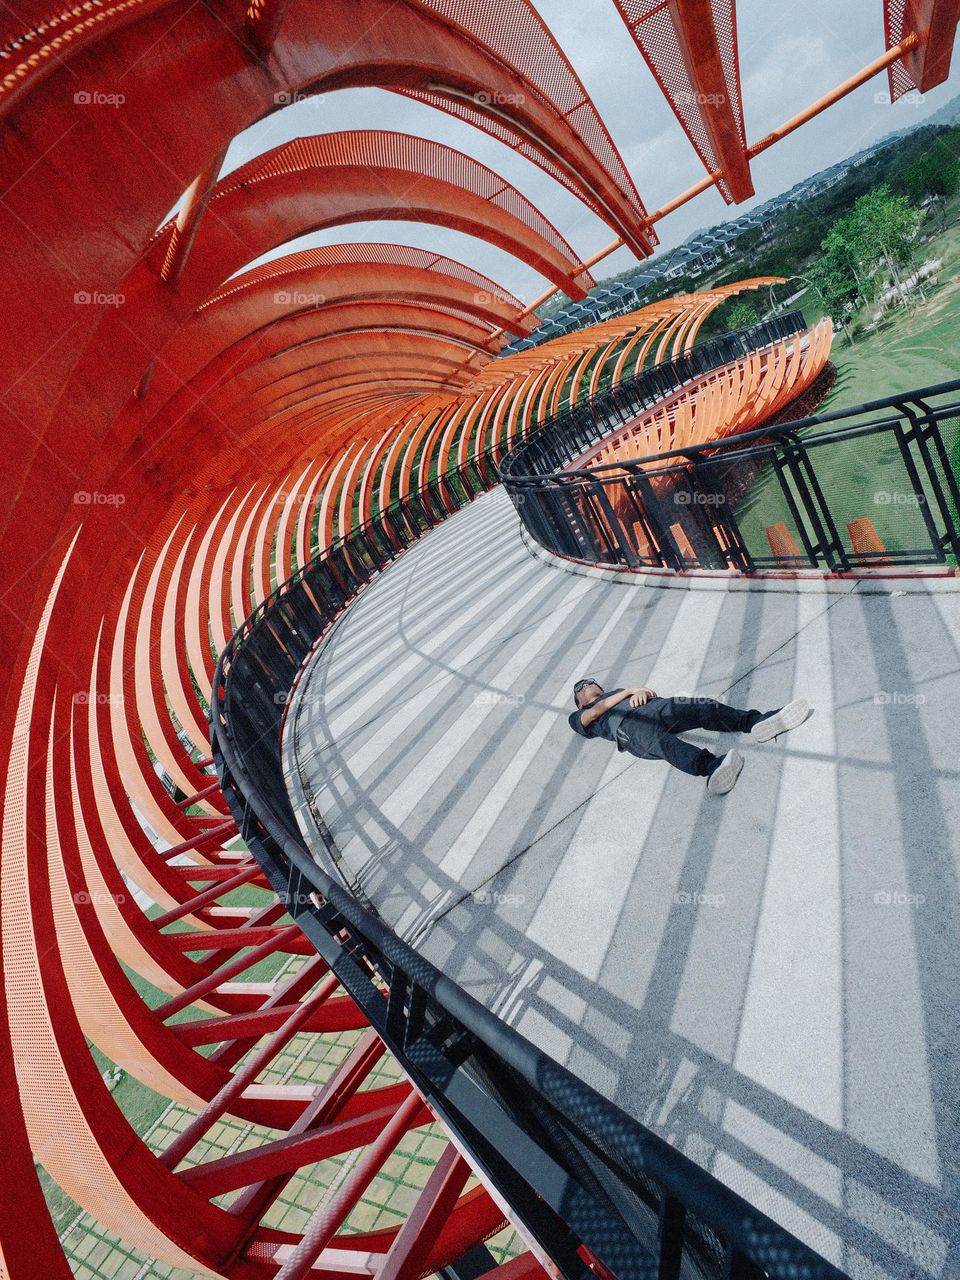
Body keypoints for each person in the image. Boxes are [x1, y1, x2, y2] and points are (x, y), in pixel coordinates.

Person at [568, 678, 811, 795]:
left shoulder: (618, 691)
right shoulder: (578, 717)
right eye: (580, 687)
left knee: (700, 706)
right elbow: (594, 713)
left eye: (590, 682)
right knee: (664, 745)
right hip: (627, 727)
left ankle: (755, 722)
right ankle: (713, 767)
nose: (587, 685)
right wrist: (630, 691)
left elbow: (651, 691)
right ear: (579, 703)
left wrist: (642, 691)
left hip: (655, 706)